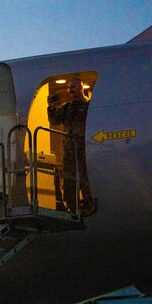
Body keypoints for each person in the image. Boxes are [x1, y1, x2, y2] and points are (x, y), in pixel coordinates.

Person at [47, 78, 96, 215]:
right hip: (69, 151)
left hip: (85, 149)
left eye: (73, 86)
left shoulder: (89, 106)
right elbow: (55, 120)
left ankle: (89, 204)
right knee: (69, 179)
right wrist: (51, 107)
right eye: (69, 87)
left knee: (85, 178)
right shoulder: (67, 107)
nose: (71, 89)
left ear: (81, 88)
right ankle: (72, 207)